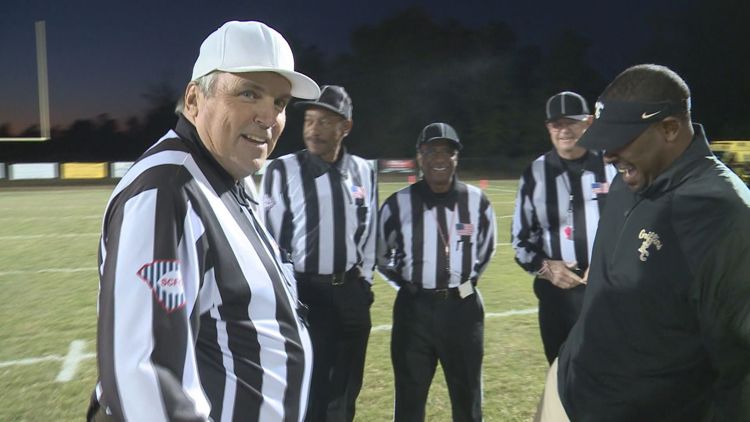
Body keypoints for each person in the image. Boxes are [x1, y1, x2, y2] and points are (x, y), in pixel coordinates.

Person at [88, 21, 321, 421]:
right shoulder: (169, 189)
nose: (270, 117)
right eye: (249, 93)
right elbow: (145, 377)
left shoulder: (224, 175)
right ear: (194, 100)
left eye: (280, 103)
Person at [535, 64, 750, 421]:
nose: (607, 155)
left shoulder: (724, 217)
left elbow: (740, 371)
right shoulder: (630, 177)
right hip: (570, 386)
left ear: (669, 128)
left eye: (622, 138)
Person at [260, 85, 377, 422]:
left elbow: (369, 233)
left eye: (325, 122)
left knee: (346, 387)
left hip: (352, 293)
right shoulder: (282, 170)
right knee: (310, 387)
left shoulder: (364, 171)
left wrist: (364, 283)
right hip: (308, 293)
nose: (313, 129)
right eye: (310, 121)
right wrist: (292, 296)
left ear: (346, 127)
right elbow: (270, 239)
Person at [377, 123, 496, 422]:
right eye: (431, 151)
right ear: (420, 156)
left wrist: (465, 282)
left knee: (467, 398)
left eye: (447, 151)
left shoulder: (477, 202)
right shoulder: (397, 204)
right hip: (414, 310)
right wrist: (407, 284)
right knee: (409, 399)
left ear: (456, 158)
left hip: (463, 310)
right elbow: (379, 255)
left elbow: (486, 249)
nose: (439, 158)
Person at [511, 91, 616, 364]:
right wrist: (547, 268)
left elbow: (634, 225)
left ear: (589, 123)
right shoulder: (535, 174)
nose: (564, 130)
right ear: (548, 128)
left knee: (611, 374)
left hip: (609, 293)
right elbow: (520, 242)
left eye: (571, 121)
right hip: (557, 297)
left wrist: (607, 262)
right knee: (560, 377)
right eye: (556, 124)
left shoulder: (614, 165)